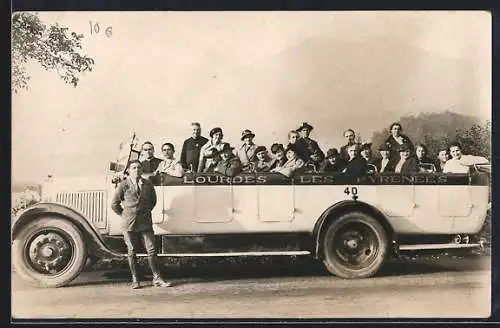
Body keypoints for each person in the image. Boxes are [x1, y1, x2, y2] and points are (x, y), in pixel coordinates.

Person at [111, 160, 172, 289]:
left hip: (145, 222)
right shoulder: (123, 185)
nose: (137, 170)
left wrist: (143, 212)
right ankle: (135, 279)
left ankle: (157, 278)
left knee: (151, 250)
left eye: (139, 168)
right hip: (129, 223)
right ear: (129, 170)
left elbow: (153, 201)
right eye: (134, 168)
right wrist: (124, 215)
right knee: (132, 251)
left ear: (142, 170)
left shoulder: (148, 184)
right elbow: (114, 204)